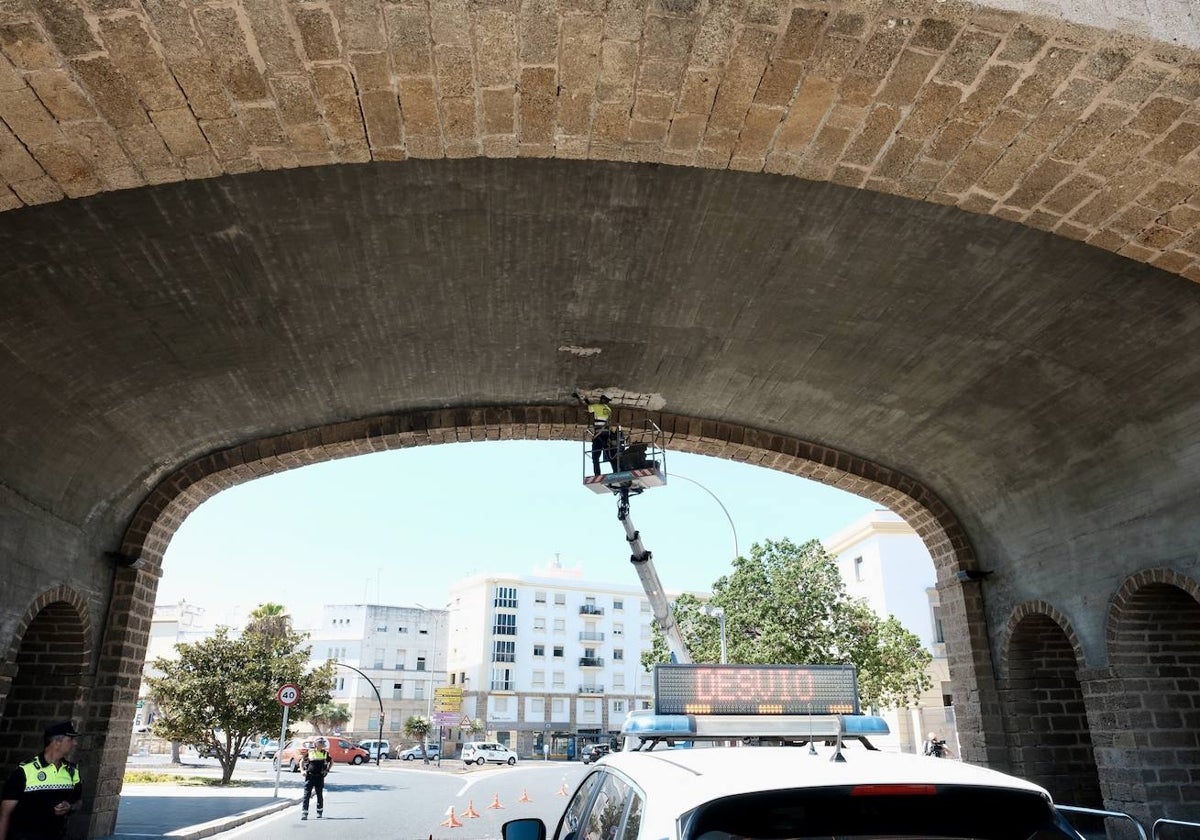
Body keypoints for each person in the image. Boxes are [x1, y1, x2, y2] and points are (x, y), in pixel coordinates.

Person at [0, 720, 83, 840]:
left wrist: (69, 807)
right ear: (57, 742)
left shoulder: (73, 771)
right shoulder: (25, 771)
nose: (75, 743)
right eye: (70, 739)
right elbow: (4, 814)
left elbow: (79, 802)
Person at [300, 737, 330, 820]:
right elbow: (301, 761)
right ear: (316, 744)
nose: (322, 744)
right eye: (320, 742)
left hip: (319, 777)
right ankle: (304, 813)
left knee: (319, 794)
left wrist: (327, 770)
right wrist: (302, 770)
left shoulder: (325, 753)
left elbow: (331, 762)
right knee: (306, 795)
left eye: (322, 743)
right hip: (309, 776)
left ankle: (319, 811)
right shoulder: (310, 752)